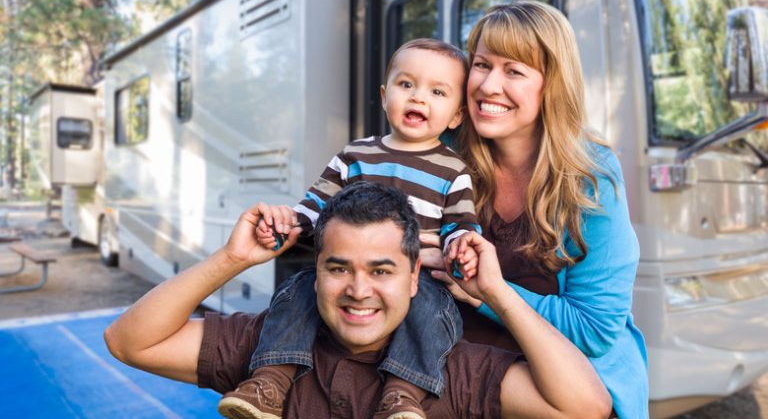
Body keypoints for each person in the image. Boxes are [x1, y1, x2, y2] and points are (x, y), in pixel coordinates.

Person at [104, 181, 612, 418]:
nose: (359, 290)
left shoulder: (449, 369)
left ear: (416, 276)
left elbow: (585, 406)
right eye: (339, 268)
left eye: (381, 270)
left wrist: (497, 294)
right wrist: (232, 260)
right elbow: (130, 341)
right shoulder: (268, 349)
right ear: (315, 271)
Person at [222, 39, 481, 419]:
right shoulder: (355, 156)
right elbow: (314, 206)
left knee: (434, 310)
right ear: (384, 94)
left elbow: (461, 227)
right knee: (298, 290)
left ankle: (403, 395)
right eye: (406, 85)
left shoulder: (453, 171)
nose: (418, 98)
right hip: (349, 270)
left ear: (456, 116)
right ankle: (269, 382)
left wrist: (459, 248)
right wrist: (286, 224)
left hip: (417, 278)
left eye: (437, 92)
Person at [424, 1, 648, 419]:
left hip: (558, 393)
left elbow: (594, 329)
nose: (489, 86)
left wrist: (486, 293)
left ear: (552, 85)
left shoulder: (590, 176)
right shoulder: (441, 155)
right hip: (454, 376)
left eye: (514, 71)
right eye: (481, 65)